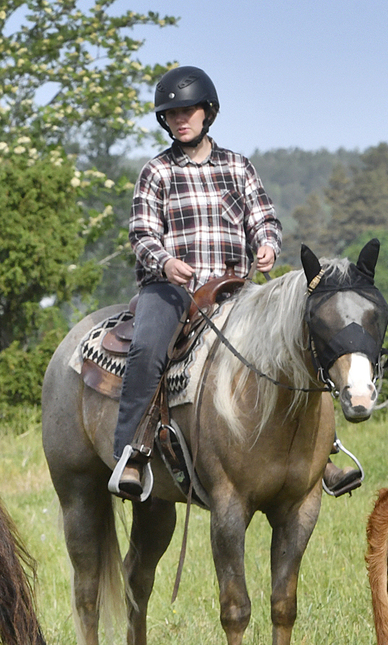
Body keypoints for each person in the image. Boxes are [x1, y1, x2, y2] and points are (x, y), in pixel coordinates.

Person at [110, 67, 362, 501]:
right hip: (173, 289)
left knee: (300, 338)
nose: (180, 119)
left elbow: (263, 218)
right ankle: (132, 450)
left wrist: (266, 245)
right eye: (170, 114)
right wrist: (166, 262)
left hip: (234, 288)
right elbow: (141, 233)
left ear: (208, 112)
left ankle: (325, 453)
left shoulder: (238, 166)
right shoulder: (157, 172)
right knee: (149, 346)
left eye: (188, 110)